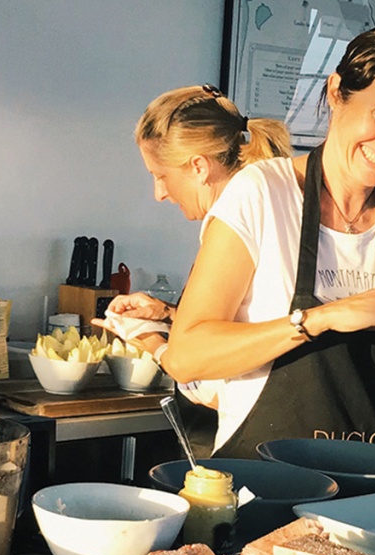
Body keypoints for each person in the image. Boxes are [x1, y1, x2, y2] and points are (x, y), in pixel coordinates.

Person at [160, 21, 375, 457]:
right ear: (336, 92)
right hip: (270, 485)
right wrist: (320, 318)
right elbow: (185, 355)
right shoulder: (262, 193)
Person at [93, 84, 292, 451]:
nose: (159, 193)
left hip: (253, 445)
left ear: (199, 166)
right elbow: (247, 324)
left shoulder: (234, 219)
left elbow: (216, 382)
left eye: (161, 175)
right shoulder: (274, 204)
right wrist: (169, 314)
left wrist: (148, 340)